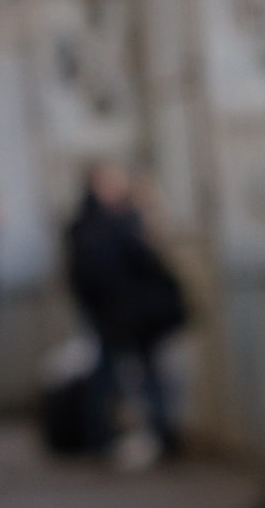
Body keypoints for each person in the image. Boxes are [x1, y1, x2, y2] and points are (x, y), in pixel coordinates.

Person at [64, 162, 190, 469]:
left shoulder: (101, 222)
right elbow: (98, 274)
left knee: (129, 373)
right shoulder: (104, 225)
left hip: (126, 312)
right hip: (122, 312)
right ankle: (118, 436)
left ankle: (151, 434)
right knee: (119, 375)